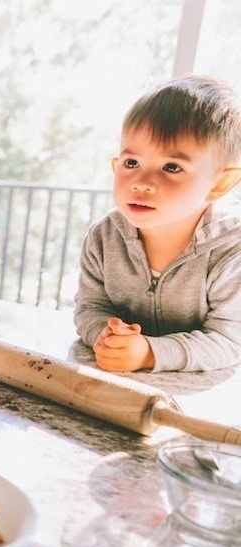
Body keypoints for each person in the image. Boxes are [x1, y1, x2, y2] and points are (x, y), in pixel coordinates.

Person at [74, 74, 241, 372]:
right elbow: (90, 309)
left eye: (171, 167)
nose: (141, 182)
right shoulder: (103, 238)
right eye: (131, 163)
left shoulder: (232, 251)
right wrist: (108, 338)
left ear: (221, 183)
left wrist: (150, 353)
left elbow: (229, 341)